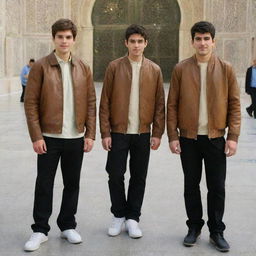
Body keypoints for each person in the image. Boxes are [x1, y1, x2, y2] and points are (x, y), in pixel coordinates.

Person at [167, 21, 241, 252]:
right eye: (198, 39)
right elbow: (172, 105)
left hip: (216, 138)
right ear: (192, 42)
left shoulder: (226, 68)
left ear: (213, 41)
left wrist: (233, 136)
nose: (202, 43)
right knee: (191, 185)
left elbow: (234, 104)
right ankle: (194, 227)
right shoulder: (181, 69)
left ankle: (216, 231)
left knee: (216, 187)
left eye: (206, 38)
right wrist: (173, 135)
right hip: (189, 138)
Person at [24, 19, 96, 251]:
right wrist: (36, 136)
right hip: (48, 136)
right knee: (44, 183)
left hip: (75, 137)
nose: (64, 41)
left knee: (72, 183)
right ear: (53, 38)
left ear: (74, 40)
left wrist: (90, 133)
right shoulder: (41, 67)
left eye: (68, 37)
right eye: (60, 37)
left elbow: (91, 103)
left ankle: (67, 225)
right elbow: (31, 103)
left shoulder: (83, 67)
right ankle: (40, 230)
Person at [99, 24, 165, 239]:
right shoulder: (114, 67)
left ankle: (133, 217)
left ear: (146, 43)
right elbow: (105, 101)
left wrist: (157, 133)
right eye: (132, 41)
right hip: (118, 132)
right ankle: (118, 215)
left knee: (139, 176)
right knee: (115, 174)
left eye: (140, 41)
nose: (136, 45)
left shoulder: (154, 70)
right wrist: (105, 132)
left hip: (143, 133)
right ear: (125, 43)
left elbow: (159, 105)